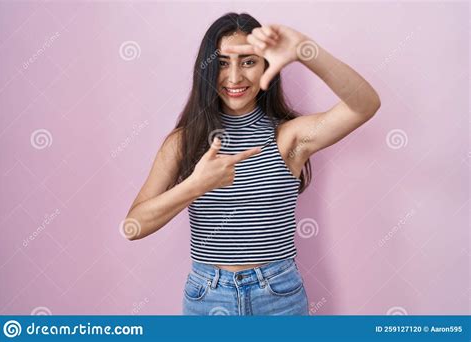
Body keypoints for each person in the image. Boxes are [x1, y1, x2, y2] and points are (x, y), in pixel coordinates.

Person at [123, 12, 381, 315]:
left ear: (266, 65)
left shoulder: (289, 137)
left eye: (248, 62)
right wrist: (195, 185)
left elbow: (365, 105)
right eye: (221, 63)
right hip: (208, 296)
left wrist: (304, 50)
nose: (234, 78)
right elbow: (133, 226)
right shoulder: (183, 143)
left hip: (277, 293)